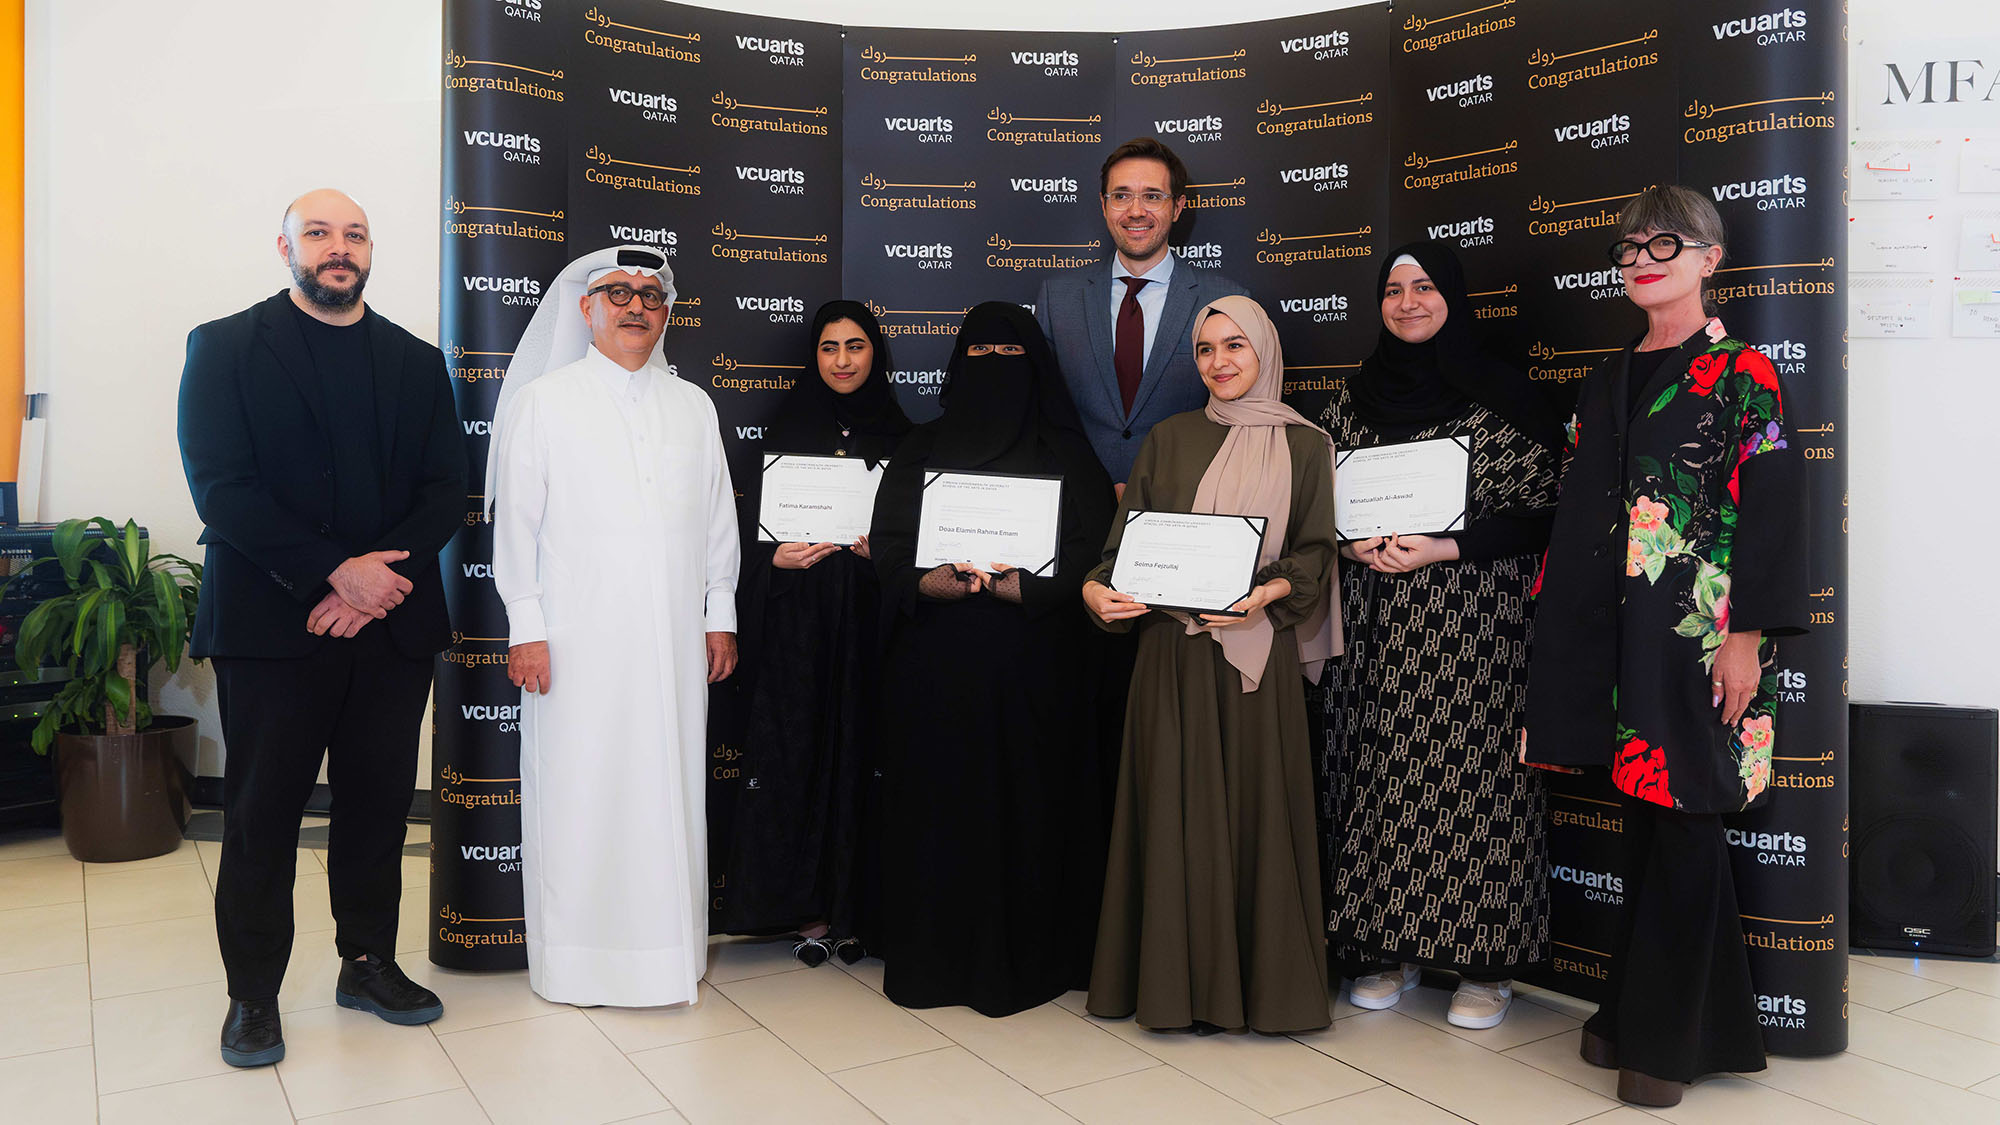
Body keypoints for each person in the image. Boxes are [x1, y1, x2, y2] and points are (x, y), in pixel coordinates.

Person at [1524, 186, 1808, 1106]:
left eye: (1667, 243)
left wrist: (1748, 641)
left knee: (1687, 822)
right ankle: (1654, 1015)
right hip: (1613, 644)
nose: (1643, 258)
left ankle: (1664, 1042)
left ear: (1709, 257)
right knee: (1650, 828)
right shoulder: (1606, 378)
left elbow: (1768, 517)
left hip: (1696, 641)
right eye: (1629, 248)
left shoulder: (1744, 372)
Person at [178, 189, 463, 1067]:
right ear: (286, 247)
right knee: (261, 816)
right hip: (272, 626)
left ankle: (368, 963)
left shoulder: (416, 361)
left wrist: (375, 582)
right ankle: (252, 997)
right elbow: (221, 485)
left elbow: (445, 491)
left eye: (355, 235)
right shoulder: (224, 346)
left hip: (391, 626)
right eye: (320, 234)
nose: (338, 249)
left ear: (371, 250)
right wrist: (337, 570)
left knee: (377, 809)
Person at [1317, 241, 1562, 1029]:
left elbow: (1543, 514)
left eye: (1424, 287)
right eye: (1393, 289)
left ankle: (1484, 967)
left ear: (1453, 297)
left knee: (1475, 786)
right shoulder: (1351, 402)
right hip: (1375, 624)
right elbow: (1317, 504)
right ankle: (1384, 947)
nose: (1408, 302)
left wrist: (1446, 545)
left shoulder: (1506, 395)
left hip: (1475, 627)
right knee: (1378, 777)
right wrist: (1348, 542)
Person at [488, 244, 741, 1008]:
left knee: (668, 786)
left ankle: (668, 953)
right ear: (585, 308)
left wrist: (719, 614)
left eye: (650, 295)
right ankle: (576, 962)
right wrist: (525, 627)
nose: (637, 306)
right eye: (618, 293)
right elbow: (515, 531)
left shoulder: (693, 404)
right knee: (582, 788)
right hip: (574, 645)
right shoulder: (544, 401)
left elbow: (718, 523)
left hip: (671, 645)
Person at [1083, 294, 1339, 1034]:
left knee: (1253, 812)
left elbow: (1318, 553)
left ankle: (1262, 991)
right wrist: (1097, 591)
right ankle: (1173, 988)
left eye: (1236, 346)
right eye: (1205, 349)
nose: (1220, 362)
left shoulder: (1305, 445)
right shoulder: (1166, 438)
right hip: (1171, 656)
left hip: (1257, 659)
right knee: (1172, 811)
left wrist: (1265, 595)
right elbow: (1120, 550)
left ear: (1264, 351)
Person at [868, 302, 1115, 1017]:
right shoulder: (921, 449)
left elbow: (1093, 557)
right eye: (980, 357)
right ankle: (933, 958)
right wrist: (927, 581)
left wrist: (1019, 587)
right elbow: (888, 546)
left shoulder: (1070, 456)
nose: (995, 371)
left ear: (1035, 365)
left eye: (1012, 357)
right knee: (939, 813)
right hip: (933, 679)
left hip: (1038, 679)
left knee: (1030, 808)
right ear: (956, 366)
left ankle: (1033, 953)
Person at [716, 301, 910, 965]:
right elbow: (739, 541)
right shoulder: (784, 430)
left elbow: (920, 548)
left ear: (875, 352)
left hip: (869, 631)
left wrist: (878, 553)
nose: (843, 361)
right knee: (797, 759)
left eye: (855, 346)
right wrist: (776, 559)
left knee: (866, 757)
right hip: (798, 630)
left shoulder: (903, 438)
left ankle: (862, 907)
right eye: (829, 348)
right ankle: (804, 908)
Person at [1034, 136, 1250, 489]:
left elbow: (1244, 420)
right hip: (1081, 508)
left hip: (1187, 504)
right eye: (1121, 196)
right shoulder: (1058, 299)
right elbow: (1044, 413)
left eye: (1152, 196)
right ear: (1104, 206)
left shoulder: (1226, 300)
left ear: (1178, 208)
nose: (1136, 211)